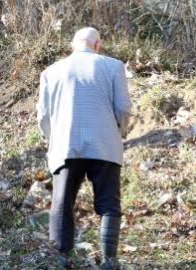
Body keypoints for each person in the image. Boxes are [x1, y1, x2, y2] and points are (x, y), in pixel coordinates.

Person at [36, 27, 132, 269]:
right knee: (109, 203)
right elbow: (123, 108)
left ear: (72, 45)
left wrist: (52, 138)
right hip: (105, 144)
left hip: (65, 145)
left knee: (62, 202)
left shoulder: (51, 71)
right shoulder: (114, 66)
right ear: (97, 45)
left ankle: (61, 260)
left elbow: (43, 117)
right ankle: (109, 261)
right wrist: (120, 131)